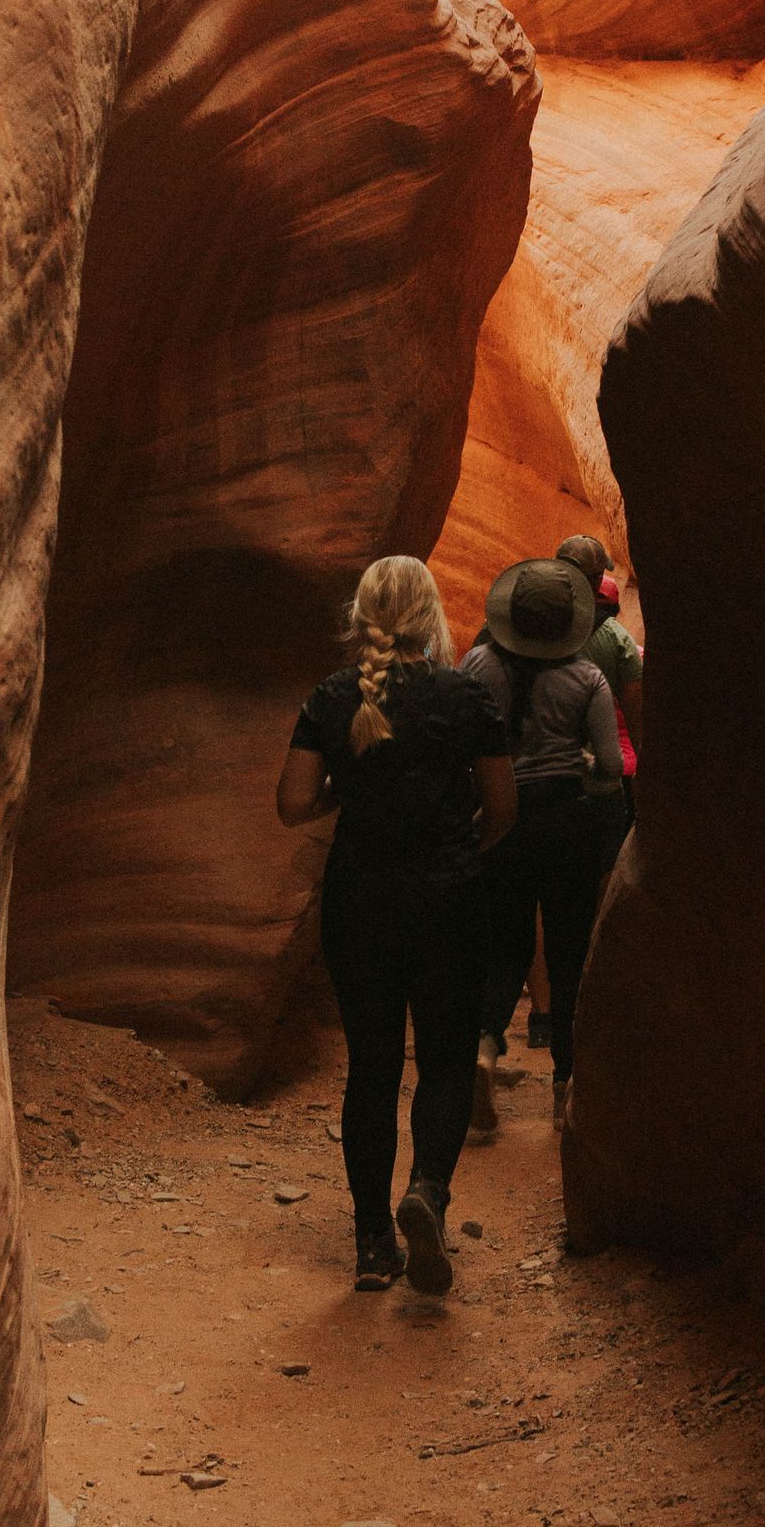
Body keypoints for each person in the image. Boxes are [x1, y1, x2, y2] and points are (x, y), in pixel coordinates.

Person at [277, 555, 516, 1295]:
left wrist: (344, 802)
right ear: (429, 614)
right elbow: (502, 810)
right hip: (447, 900)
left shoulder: (332, 698)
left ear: (362, 616)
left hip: (361, 903)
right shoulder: (466, 697)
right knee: (445, 1060)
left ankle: (373, 1242)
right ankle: (429, 1193)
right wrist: (456, 852)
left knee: (372, 1067)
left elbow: (292, 803)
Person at [461, 556, 622, 1133]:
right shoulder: (587, 679)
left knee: (503, 946)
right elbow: (608, 766)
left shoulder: (478, 664)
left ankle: (483, 1047)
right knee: (568, 952)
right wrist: (575, 762)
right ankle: (564, 1090)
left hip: (498, 819)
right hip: (566, 824)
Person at [556, 534, 644, 881]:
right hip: (599, 789)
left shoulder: (527, 627)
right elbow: (639, 727)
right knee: (590, 890)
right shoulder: (618, 644)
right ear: (595, 583)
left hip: (538, 786)